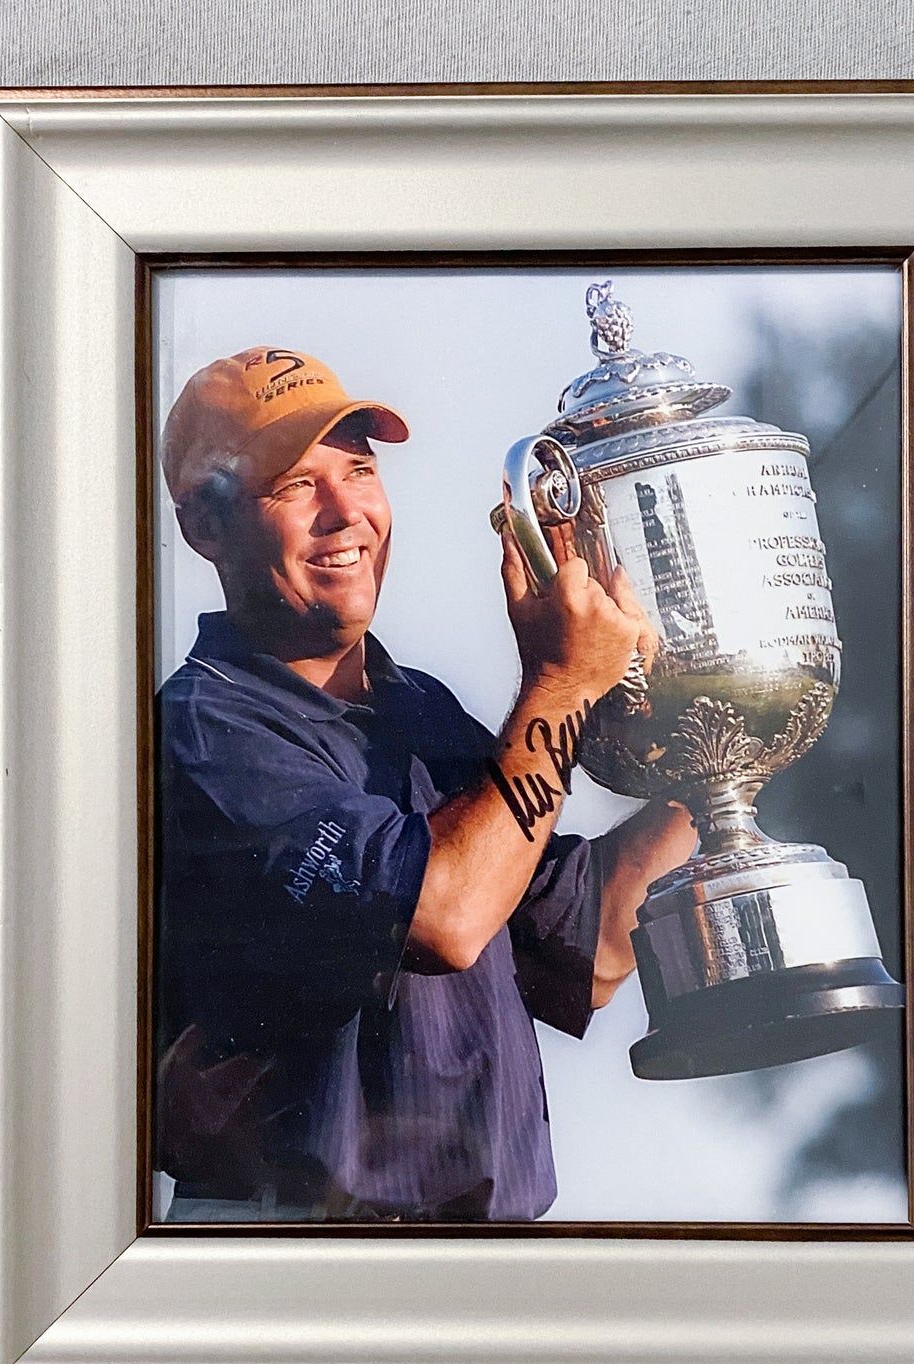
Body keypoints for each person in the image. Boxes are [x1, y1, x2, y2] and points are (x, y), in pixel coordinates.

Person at [154, 344, 697, 1223]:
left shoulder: (418, 708)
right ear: (204, 527)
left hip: (479, 1269)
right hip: (302, 1272)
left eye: (359, 471)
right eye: (295, 485)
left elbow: (590, 947)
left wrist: (715, 744)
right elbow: (446, 912)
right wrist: (562, 685)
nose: (346, 513)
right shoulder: (204, 732)